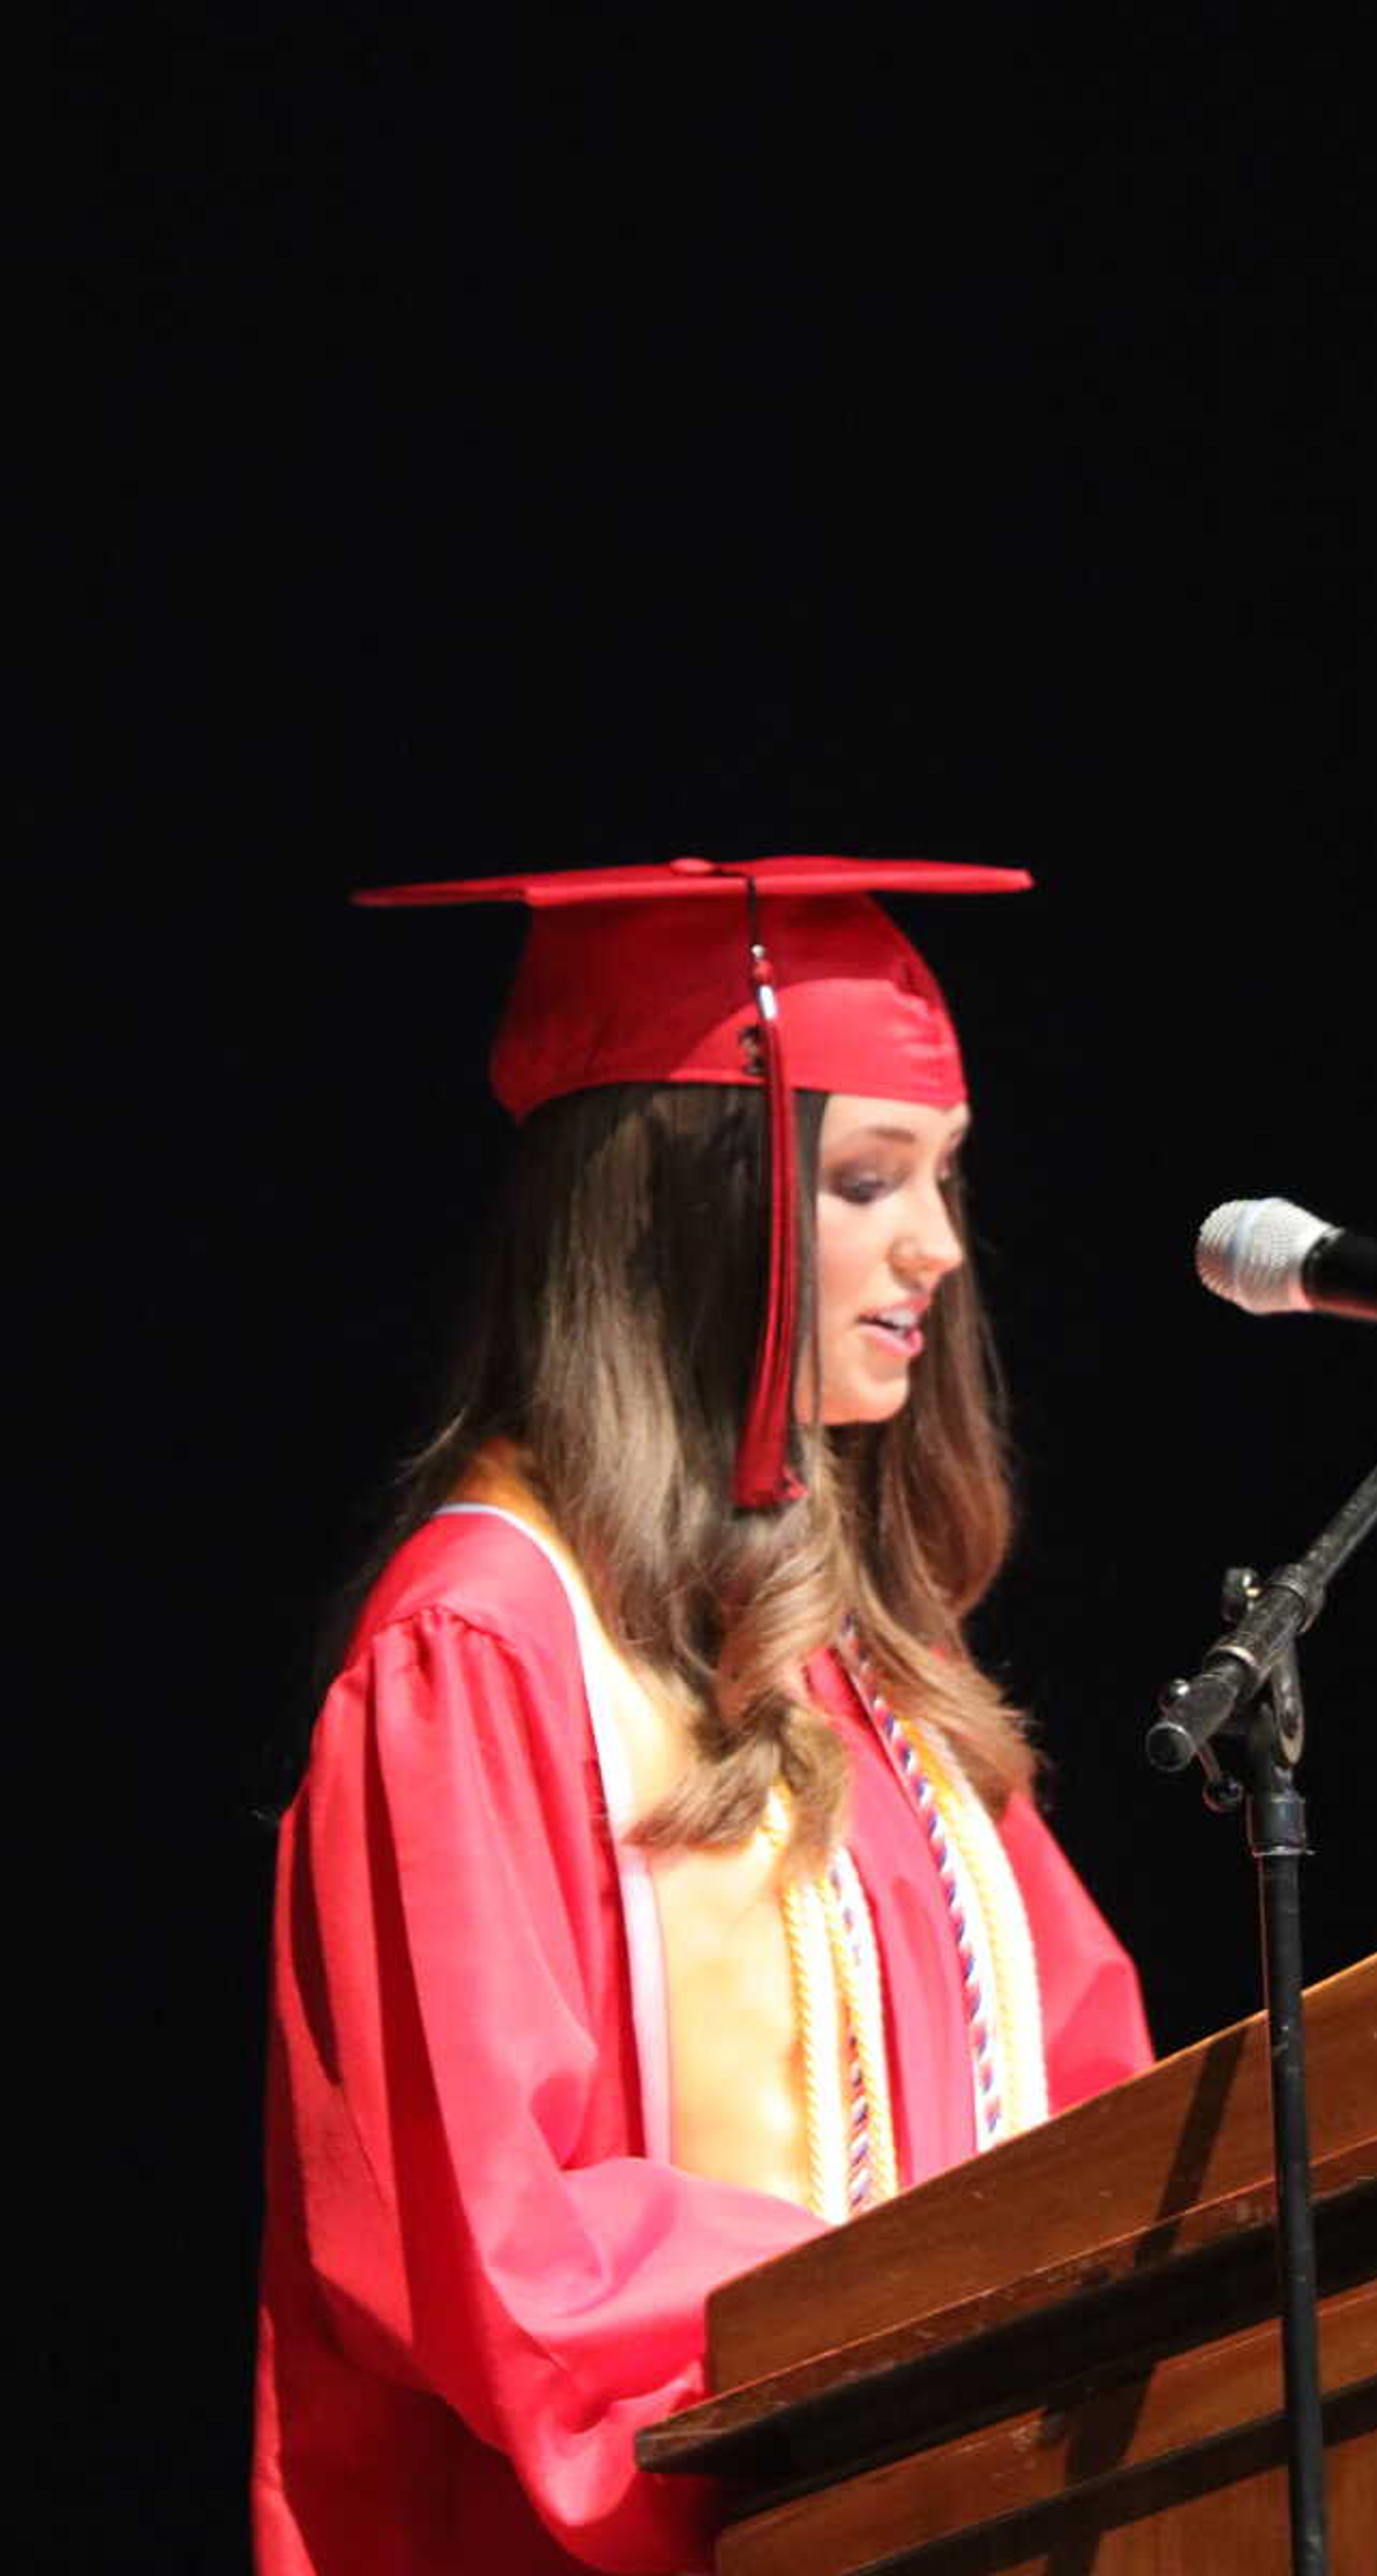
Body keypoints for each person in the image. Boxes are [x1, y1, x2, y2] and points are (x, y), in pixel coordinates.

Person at [253, 857, 1152, 2576]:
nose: (939, 1248)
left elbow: (1083, 2084)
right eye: (868, 1181)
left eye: (946, 1179)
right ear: (683, 1213)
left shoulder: (858, 1663)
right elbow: (496, 2256)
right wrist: (909, 2345)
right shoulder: (485, 1651)